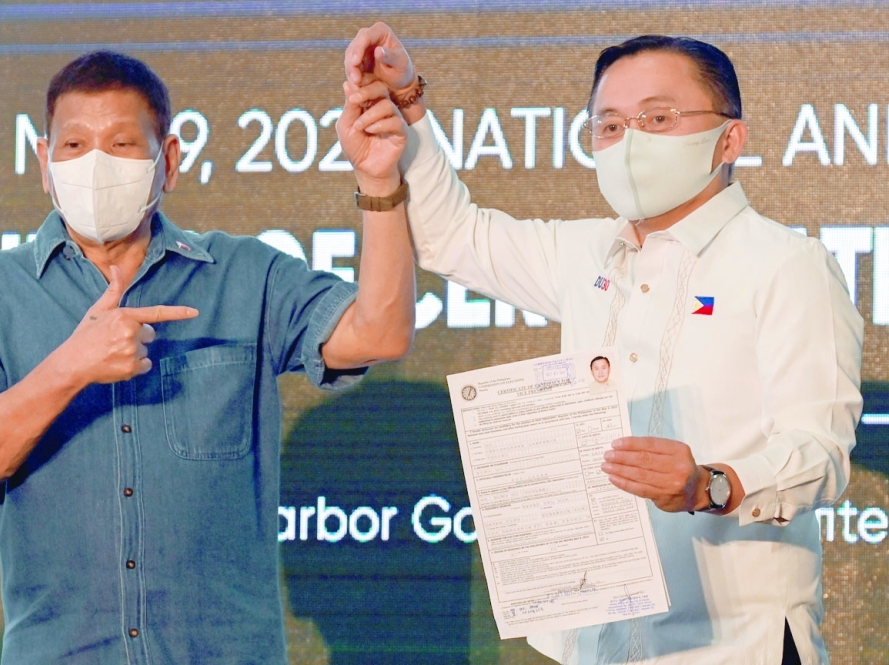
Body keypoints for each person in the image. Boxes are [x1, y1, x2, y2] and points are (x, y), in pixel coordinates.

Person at [343, 24, 863, 665]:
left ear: (730, 137)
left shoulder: (788, 263)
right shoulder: (586, 250)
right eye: (610, 126)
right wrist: (408, 108)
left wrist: (711, 484)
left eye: (659, 117)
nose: (629, 143)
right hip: (601, 641)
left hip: (737, 643)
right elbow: (455, 238)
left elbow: (822, 453)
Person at [0, 51, 414, 664]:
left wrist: (378, 183)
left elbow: (381, 333)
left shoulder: (246, 275)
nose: (95, 164)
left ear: (171, 160)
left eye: (122, 143)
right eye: (74, 145)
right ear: (44, 163)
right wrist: (71, 365)